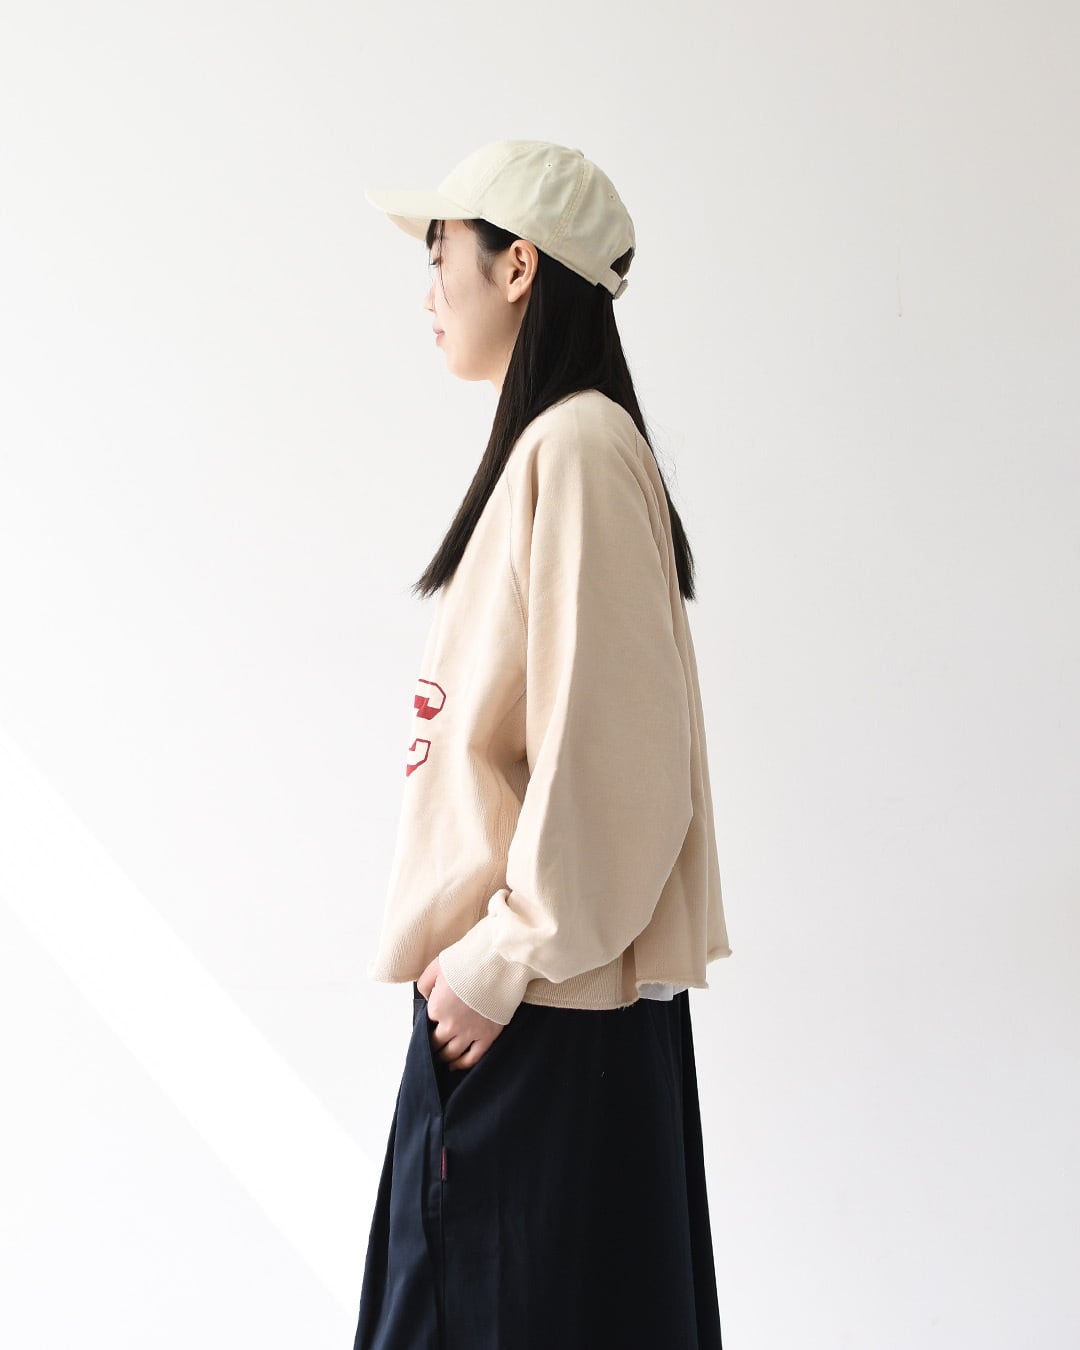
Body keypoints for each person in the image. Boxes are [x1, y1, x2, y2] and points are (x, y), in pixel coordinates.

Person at [352, 138, 733, 1350]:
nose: (428, 290)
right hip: (529, 1012)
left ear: (519, 268)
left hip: (539, 1021)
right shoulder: (558, 449)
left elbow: (619, 764)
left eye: (442, 255)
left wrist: (503, 958)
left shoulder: (574, 449)